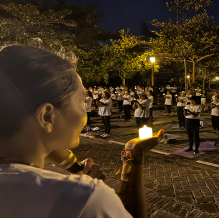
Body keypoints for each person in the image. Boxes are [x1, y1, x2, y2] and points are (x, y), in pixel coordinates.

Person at [0, 45, 167, 218]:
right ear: (47, 117)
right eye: (81, 102)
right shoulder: (81, 199)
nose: (85, 112)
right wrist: (134, 155)